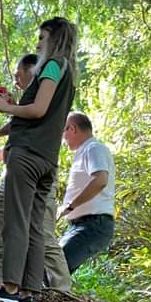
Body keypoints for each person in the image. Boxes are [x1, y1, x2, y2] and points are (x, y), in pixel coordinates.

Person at [0, 16, 78, 302]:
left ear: (54, 39)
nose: (38, 44)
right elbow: (44, 112)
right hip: (47, 158)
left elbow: (37, 110)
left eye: (42, 38)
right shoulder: (67, 72)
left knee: (15, 222)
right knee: (34, 224)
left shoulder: (52, 65)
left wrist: (4, 106)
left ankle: (8, 287)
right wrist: (3, 126)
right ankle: (30, 289)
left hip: (27, 155)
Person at [0, 55, 72, 292]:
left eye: (19, 74)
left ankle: (60, 290)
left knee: (39, 232)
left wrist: (9, 109)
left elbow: (28, 143)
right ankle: (5, 285)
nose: (16, 79)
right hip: (14, 174)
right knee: (3, 231)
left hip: (35, 172)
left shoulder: (46, 105)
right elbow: (13, 142)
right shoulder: (25, 106)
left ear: (34, 72)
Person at [57, 111, 115, 272]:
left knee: (54, 267)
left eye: (63, 132)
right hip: (83, 224)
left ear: (72, 129)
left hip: (93, 224)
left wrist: (70, 206)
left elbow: (100, 180)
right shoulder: (85, 151)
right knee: (53, 268)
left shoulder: (93, 148)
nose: (63, 139)